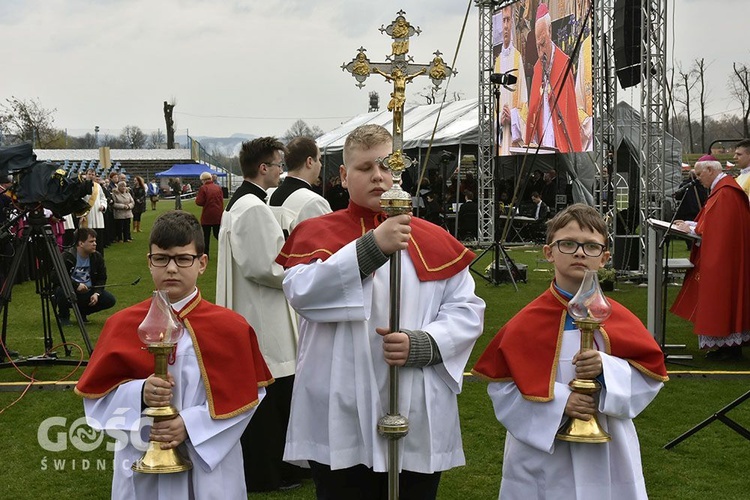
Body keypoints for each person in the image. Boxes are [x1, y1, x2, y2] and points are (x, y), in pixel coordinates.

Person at [276, 124, 485, 499]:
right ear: (343, 175)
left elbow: (467, 310)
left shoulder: (435, 238)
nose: (378, 176)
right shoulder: (315, 232)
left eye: (387, 167)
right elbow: (302, 293)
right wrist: (372, 247)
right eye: (364, 168)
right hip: (341, 401)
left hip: (414, 397)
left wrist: (424, 344)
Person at [472, 204, 668, 499]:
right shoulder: (526, 324)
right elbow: (504, 391)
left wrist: (605, 369)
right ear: (549, 252)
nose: (579, 252)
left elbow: (649, 378)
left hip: (609, 448)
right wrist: (561, 403)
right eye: (568, 243)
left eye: (591, 246)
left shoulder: (621, 320)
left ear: (604, 258)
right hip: (544, 453)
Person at [75, 211, 273, 499]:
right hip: (141, 457)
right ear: (149, 261)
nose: (171, 268)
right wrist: (140, 392)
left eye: (183, 258)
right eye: (161, 258)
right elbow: (96, 401)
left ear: (202, 263)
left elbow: (249, 396)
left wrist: (190, 425)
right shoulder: (122, 325)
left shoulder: (231, 328)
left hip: (207, 464)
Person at [216, 137, 300, 492]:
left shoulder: (245, 203)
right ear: (263, 168)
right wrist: (302, 268)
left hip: (254, 307)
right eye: (279, 165)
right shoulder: (253, 208)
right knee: (270, 398)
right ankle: (267, 474)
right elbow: (265, 266)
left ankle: (274, 468)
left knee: (269, 396)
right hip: (261, 313)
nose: (282, 171)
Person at [671, 155, 750, 360]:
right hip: (725, 255)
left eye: (699, 174)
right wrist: (692, 225)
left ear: (710, 170)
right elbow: (714, 223)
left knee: (721, 300)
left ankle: (730, 349)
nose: (697, 179)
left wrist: (693, 228)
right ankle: (725, 347)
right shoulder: (722, 190)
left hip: (724, 259)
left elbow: (717, 229)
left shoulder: (725, 193)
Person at [525, 3, 583, 153]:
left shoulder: (563, 65)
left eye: (543, 44)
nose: (541, 52)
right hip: (542, 144)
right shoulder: (537, 68)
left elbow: (569, 114)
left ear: (550, 31)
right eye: (538, 46)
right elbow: (533, 111)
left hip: (560, 144)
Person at [268, 136, 331, 236]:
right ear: (309, 162)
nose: (321, 165)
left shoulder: (270, 196)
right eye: (319, 160)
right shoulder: (313, 202)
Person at [54, 228, 116, 325]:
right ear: (81, 243)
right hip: (70, 290)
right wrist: (76, 285)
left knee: (110, 300)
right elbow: (56, 277)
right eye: (91, 241)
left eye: (95, 241)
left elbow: (102, 277)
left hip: (88, 290)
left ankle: (82, 312)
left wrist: (96, 293)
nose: (95, 244)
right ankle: (63, 316)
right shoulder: (67, 256)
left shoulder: (97, 256)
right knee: (61, 290)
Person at [493, 4, 528, 155]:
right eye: (503, 21)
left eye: (508, 21)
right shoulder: (498, 61)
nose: (506, 26)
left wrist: (512, 117)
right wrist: (499, 119)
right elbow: (492, 103)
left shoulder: (517, 57)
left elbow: (524, 101)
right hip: (501, 132)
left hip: (513, 133)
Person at [195, 171, 224, 255]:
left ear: (203, 180)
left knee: (206, 236)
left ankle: (206, 254)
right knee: (218, 234)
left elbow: (199, 202)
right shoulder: (218, 187)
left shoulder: (203, 188)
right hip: (218, 214)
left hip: (207, 214)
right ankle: (226, 250)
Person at [79, 168, 108, 254]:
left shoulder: (98, 186)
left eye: (93, 174)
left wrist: (103, 206)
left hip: (97, 215)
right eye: (89, 174)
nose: (91, 176)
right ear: (86, 175)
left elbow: (103, 198)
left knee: (98, 238)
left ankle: (99, 256)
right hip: (87, 215)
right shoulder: (81, 185)